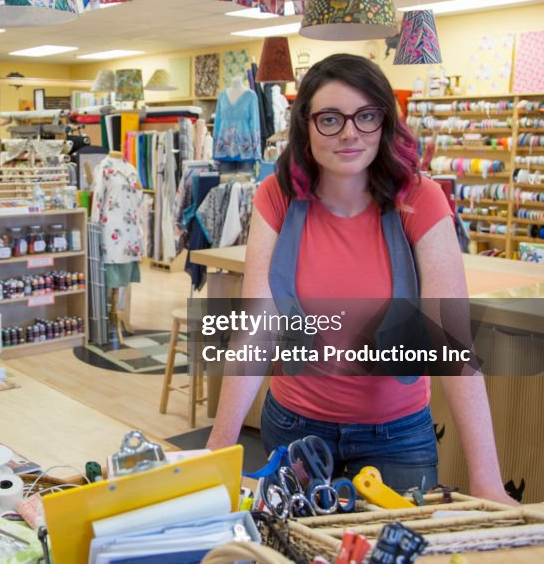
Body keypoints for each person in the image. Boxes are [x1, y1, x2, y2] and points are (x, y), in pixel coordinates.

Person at [206, 53, 515, 505]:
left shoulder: (421, 199)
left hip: (397, 437)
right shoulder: (277, 195)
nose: (350, 133)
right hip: (294, 428)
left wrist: (488, 481)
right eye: (330, 119)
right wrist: (219, 448)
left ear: (385, 122)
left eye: (366, 116)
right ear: (306, 126)